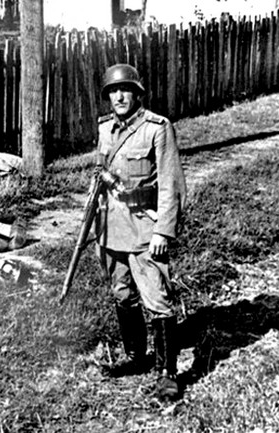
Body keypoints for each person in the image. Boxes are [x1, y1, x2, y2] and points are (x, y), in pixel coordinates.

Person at [94, 64, 187, 401]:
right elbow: (101, 175)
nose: (118, 97)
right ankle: (135, 357)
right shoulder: (105, 128)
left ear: (137, 94)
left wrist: (163, 231)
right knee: (122, 294)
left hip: (145, 227)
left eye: (125, 90)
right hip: (111, 227)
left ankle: (167, 373)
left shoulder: (157, 128)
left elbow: (171, 184)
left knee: (157, 299)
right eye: (112, 92)